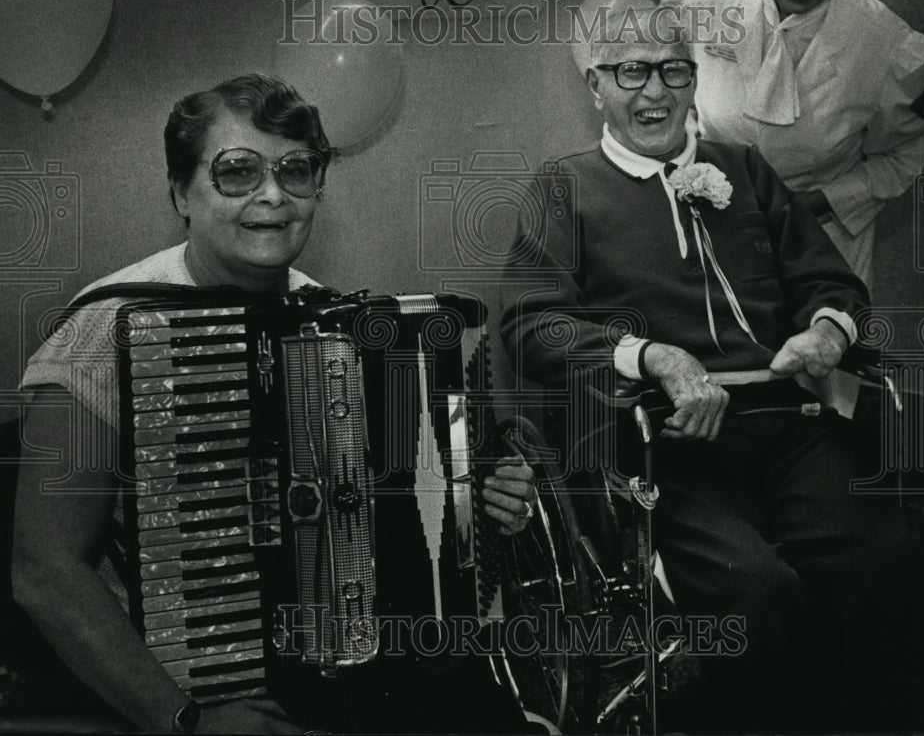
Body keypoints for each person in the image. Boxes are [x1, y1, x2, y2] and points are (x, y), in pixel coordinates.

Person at [12, 74, 536, 734]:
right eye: (237, 172)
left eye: (296, 171)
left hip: (347, 676)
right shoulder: (101, 332)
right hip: (184, 698)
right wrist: (183, 719)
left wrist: (480, 493)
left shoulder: (337, 323)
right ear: (181, 191)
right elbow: (44, 571)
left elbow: (402, 507)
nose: (272, 195)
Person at [499, 9, 924, 732]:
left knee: (885, 564)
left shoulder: (746, 169)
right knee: (755, 594)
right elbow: (529, 325)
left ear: (693, 79)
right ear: (595, 84)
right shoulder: (563, 186)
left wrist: (826, 333)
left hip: (791, 426)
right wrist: (654, 356)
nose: (655, 91)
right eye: (631, 71)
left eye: (673, 69)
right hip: (667, 445)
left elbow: (832, 285)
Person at [660, 0, 924, 289]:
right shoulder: (702, 6)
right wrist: (697, 170)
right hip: (715, 233)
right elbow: (678, 106)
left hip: (824, 249)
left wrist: (818, 204)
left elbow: (902, 156)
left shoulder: (887, 46)